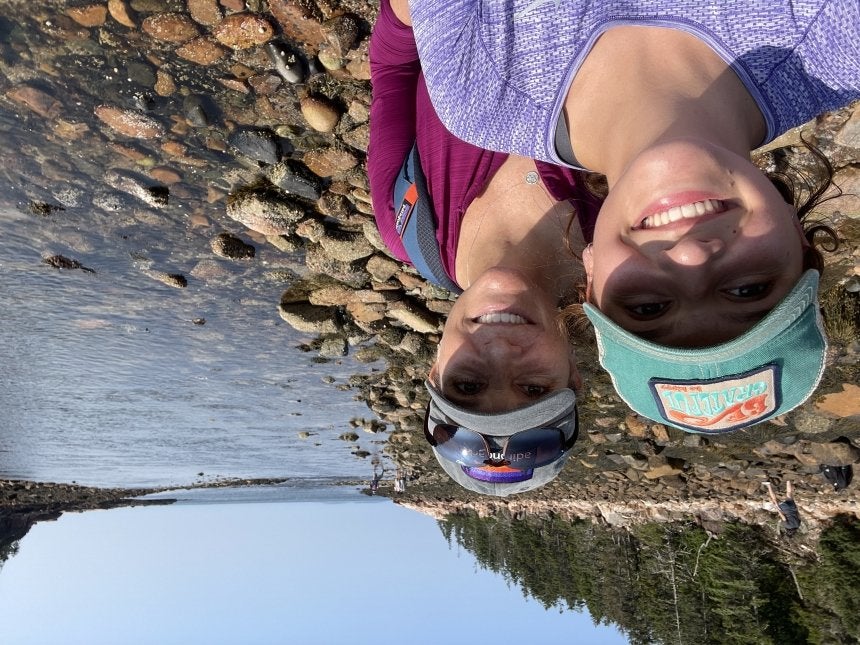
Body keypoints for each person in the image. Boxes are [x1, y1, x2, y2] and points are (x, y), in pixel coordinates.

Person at [408, 0, 859, 434]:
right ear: (801, 242)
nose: (689, 251)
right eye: (749, 290)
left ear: (590, 274)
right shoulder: (839, 40)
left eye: (647, 308)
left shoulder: (480, 97)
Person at [368, 0, 602, 495]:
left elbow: (394, 69)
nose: (498, 350)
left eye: (467, 385)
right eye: (533, 388)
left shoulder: (409, 222)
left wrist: (410, 10)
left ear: (435, 368)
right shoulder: (630, 231)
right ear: (573, 377)